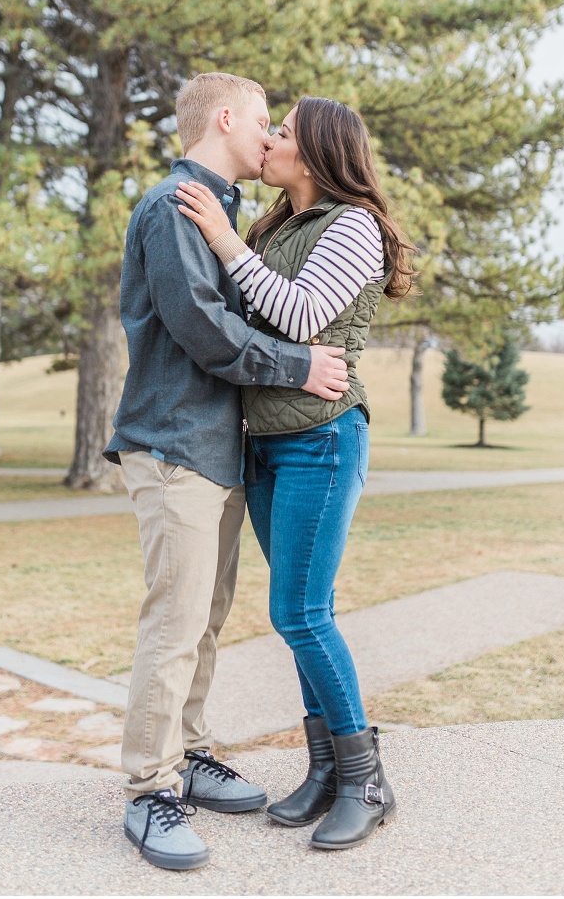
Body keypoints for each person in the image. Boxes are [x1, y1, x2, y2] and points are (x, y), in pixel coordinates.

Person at [103, 73, 350, 872]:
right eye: (265, 122)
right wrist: (298, 366)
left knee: (203, 622)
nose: (271, 136)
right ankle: (150, 789)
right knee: (173, 627)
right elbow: (205, 333)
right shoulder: (175, 206)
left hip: (216, 450)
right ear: (225, 119)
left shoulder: (227, 213)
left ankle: (193, 750)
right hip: (174, 446)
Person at [175, 95, 416, 851]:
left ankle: (368, 781)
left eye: (282, 132)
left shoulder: (354, 226)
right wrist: (235, 242)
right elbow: (246, 326)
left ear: (314, 153)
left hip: (322, 439)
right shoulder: (276, 225)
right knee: (304, 614)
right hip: (267, 443)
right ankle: (324, 770)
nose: (270, 140)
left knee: (301, 614)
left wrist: (220, 239)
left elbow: (302, 316)